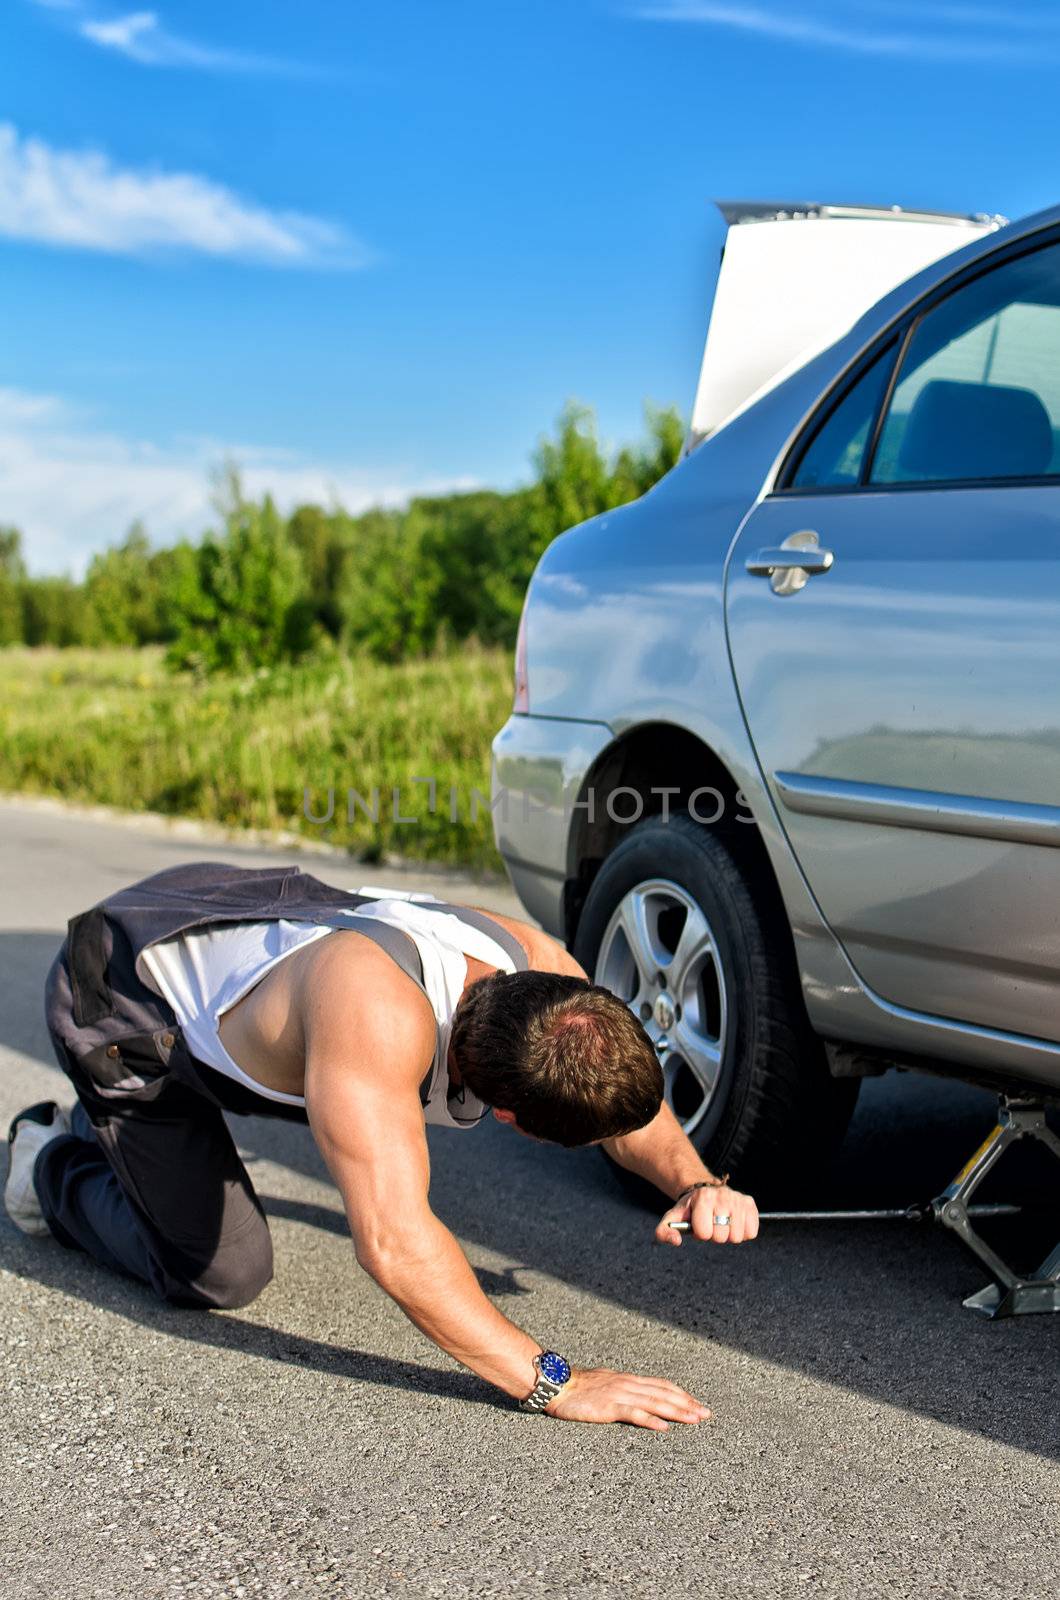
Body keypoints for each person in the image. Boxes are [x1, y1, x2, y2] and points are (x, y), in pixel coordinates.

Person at [5, 860, 759, 1431]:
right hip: (119, 999)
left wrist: (696, 1183)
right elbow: (395, 1243)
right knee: (220, 1273)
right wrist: (556, 1381)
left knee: (342, 1110)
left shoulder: (543, 974)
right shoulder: (374, 1022)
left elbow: (626, 1115)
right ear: (508, 1121)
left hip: (247, 970)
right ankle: (46, 1160)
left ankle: (114, 1142)